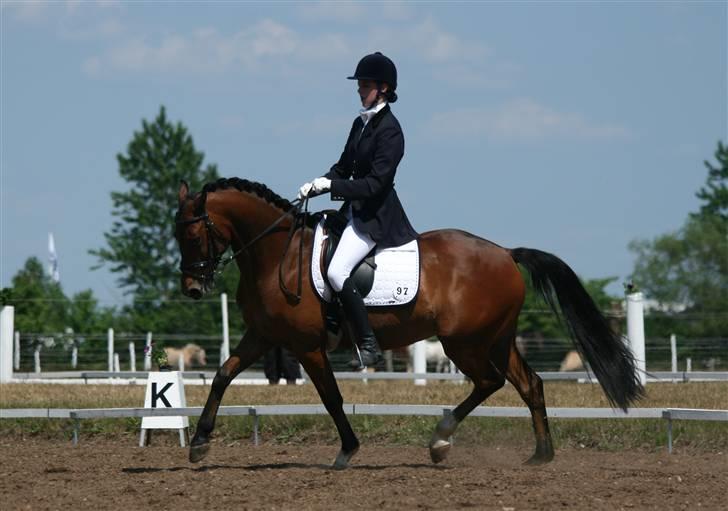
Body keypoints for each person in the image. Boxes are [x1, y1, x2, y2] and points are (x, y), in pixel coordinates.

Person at [297, 51, 418, 369]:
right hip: (353, 211)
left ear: (384, 89)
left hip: (375, 217)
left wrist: (332, 188)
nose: (359, 89)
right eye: (360, 84)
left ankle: (368, 346)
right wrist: (319, 182)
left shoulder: (391, 131)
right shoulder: (360, 124)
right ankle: (334, 323)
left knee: (337, 271)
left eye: (365, 85)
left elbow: (375, 184)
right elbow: (343, 167)